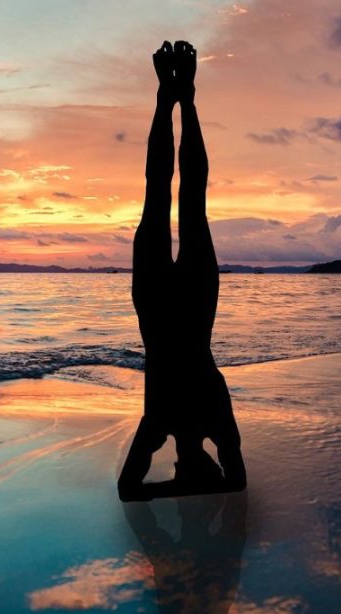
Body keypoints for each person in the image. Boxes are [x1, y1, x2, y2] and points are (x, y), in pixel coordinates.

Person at [118, 41, 246, 501]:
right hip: (173, 304)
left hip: (176, 302)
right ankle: (178, 97)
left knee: (177, 197)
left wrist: (188, 484)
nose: (176, 462)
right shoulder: (160, 424)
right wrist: (182, 485)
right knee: (182, 198)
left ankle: (174, 97)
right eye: (183, 465)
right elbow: (131, 489)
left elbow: (234, 482)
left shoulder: (197, 420)